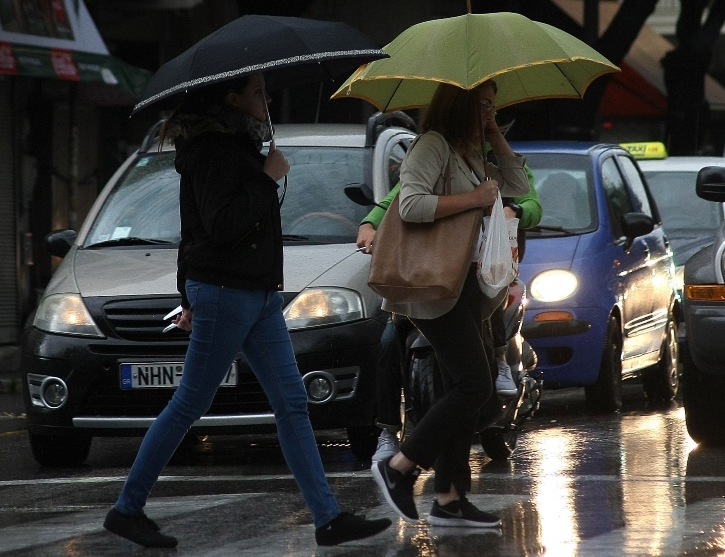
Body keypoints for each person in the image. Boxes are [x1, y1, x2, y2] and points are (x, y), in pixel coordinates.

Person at [102, 73, 391, 549]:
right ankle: (127, 509)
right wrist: (265, 178)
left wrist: (187, 292)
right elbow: (218, 226)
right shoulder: (215, 150)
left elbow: (192, 232)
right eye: (258, 92)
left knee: (291, 403)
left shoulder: (233, 145)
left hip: (255, 293)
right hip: (227, 291)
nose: (267, 98)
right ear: (232, 98)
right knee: (191, 401)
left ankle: (328, 518)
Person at [370, 80, 529, 528]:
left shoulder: (471, 151)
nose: (487, 113)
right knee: (475, 386)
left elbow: (515, 184)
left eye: (493, 106)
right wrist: (474, 199)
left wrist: (495, 134)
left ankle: (449, 498)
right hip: (436, 286)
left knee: (460, 389)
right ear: (457, 104)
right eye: (481, 105)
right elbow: (412, 206)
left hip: (470, 288)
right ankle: (400, 466)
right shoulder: (432, 145)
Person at [358, 166, 541, 463]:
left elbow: (530, 200)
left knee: (477, 383)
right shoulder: (434, 154)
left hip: (478, 274)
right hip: (430, 275)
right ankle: (390, 435)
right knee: (390, 343)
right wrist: (370, 223)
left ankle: (498, 358)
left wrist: (513, 209)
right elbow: (400, 198)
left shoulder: (497, 163)